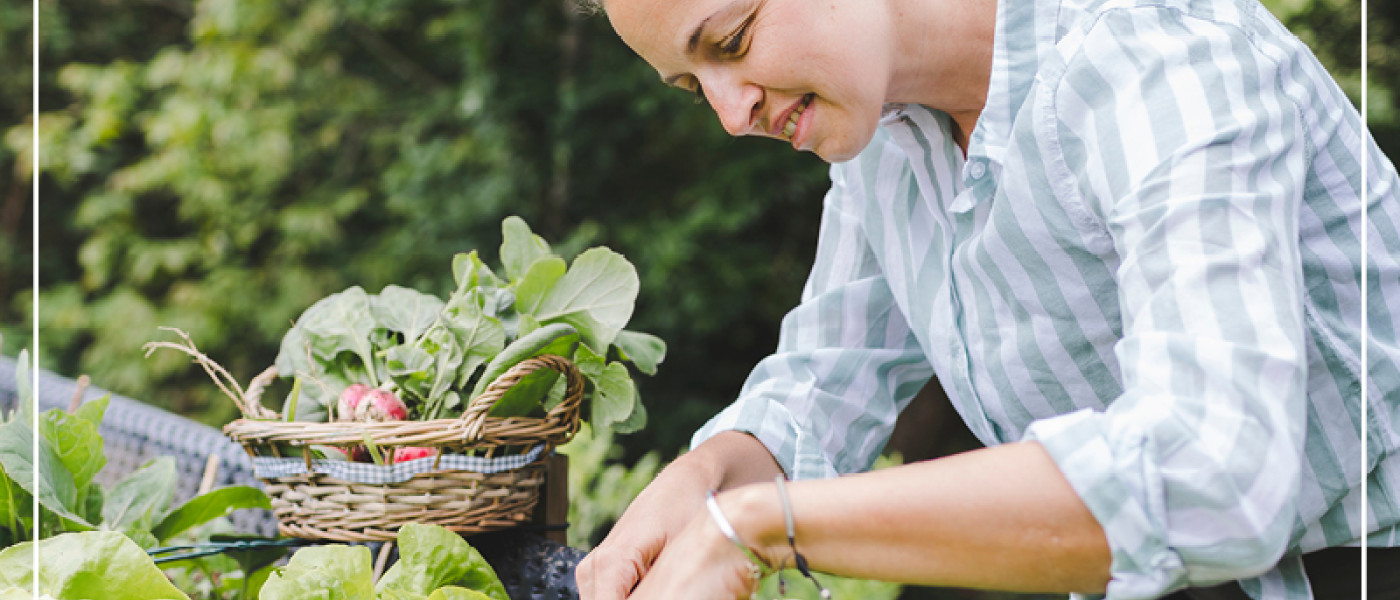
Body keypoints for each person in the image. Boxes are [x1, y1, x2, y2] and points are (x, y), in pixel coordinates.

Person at [574, 0, 1400, 596]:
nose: (730, 112)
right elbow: (820, 387)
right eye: (692, 84)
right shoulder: (885, 145)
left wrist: (765, 524)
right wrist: (706, 475)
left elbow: (1213, 476)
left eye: (733, 39)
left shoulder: (1162, 64)